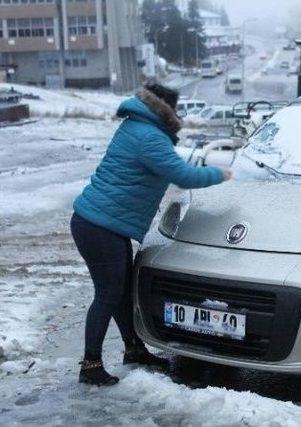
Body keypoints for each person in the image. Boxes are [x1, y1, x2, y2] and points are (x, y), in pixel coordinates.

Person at [71, 83, 231, 386]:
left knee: (121, 291)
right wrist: (222, 174)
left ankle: (134, 349)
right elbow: (183, 175)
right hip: (100, 226)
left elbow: (168, 164)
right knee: (107, 294)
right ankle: (90, 364)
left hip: (100, 223)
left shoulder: (136, 127)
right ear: (167, 110)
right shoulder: (149, 137)